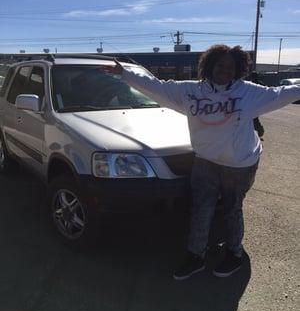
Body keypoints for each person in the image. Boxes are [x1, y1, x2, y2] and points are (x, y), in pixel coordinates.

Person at [112, 44, 300, 279]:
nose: (225, 70)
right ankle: (196, 256)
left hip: (239, 165)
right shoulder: (191, 91)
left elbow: (284, 93)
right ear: (209, 65)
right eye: (220, 65)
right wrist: (124, 73)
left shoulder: (249, 92)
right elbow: (157, 87)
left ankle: (234, 254)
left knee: (232, 209)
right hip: (205, 162)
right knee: (201, 209)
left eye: (230, 66)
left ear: (238, 69)